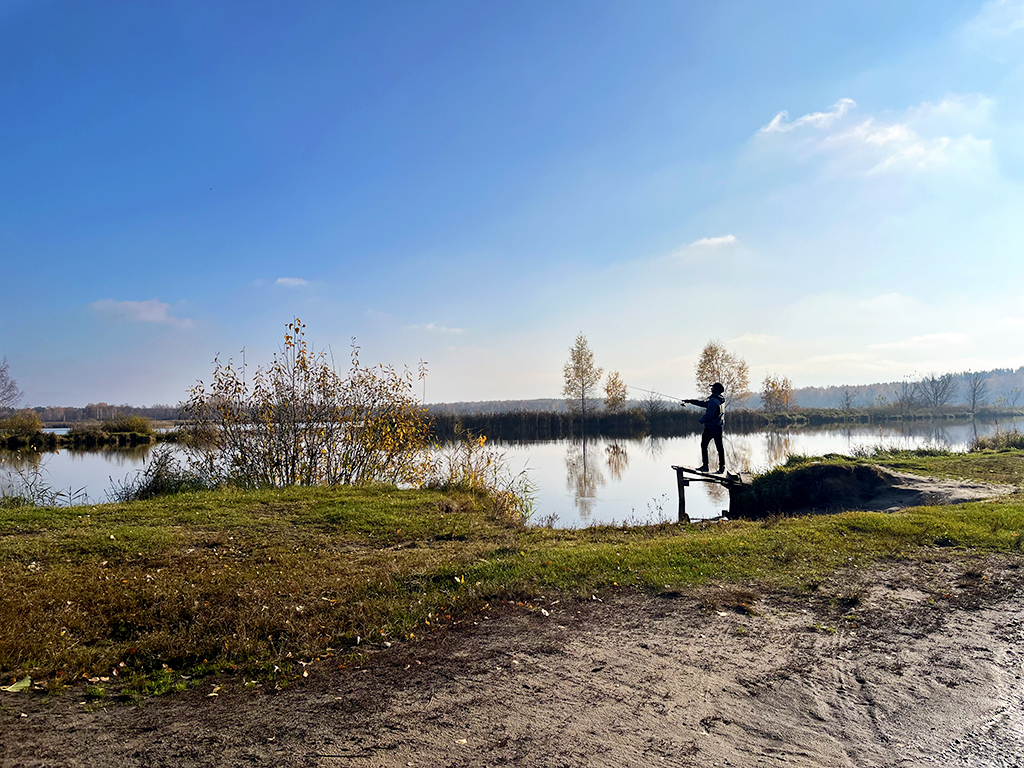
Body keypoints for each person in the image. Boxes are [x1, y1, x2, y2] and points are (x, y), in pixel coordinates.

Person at [683, 382, 726, 473]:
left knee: (704, 445)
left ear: (715, 390)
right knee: (719, 447)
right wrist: (690, 401)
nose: (711, 389)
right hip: (718, 427)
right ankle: (722, 467)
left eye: (712, 388)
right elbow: (703, 404)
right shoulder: (720, 400)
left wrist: (701, 420)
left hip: (711, 427)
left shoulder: (713, 400)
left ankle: (705, 466)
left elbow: (710, 414)